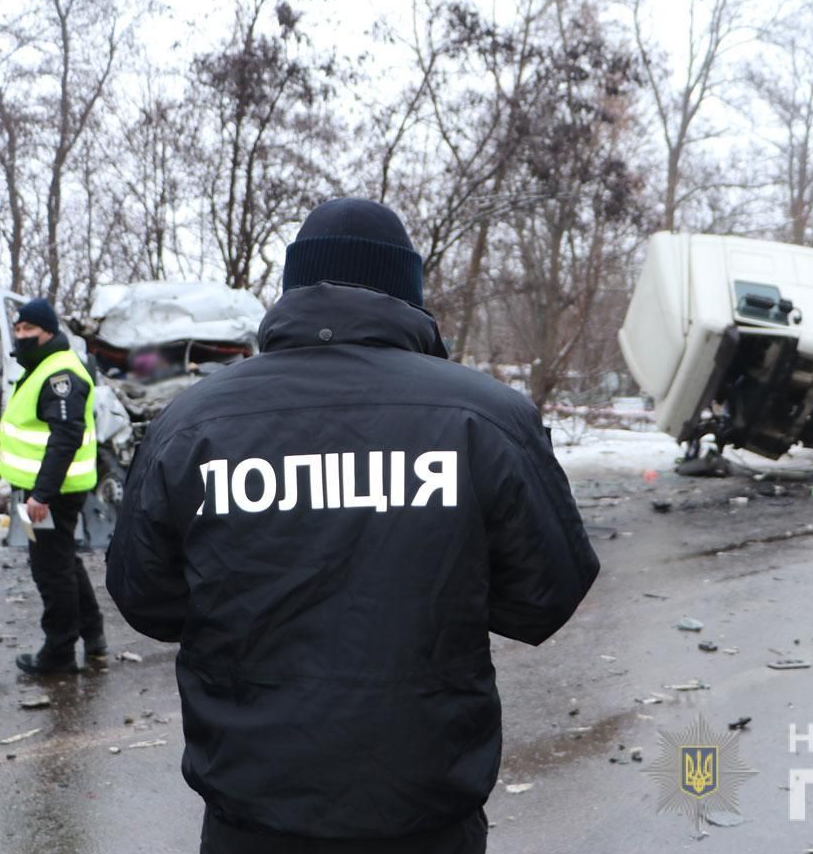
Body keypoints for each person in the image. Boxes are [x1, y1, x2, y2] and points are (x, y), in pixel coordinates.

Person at [106, 198, 600, 854]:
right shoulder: (485, 417)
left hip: (253, 807)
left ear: (292, 290)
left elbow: (147, 596)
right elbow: (544, 596)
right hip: (423, 807)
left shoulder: (193, 423)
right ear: (407, 292)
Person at [0, 297, 106, 675]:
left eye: (28, 330)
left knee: (50, 569)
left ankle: (59, 652)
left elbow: (65, 436)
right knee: (62, 560)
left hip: (53, 493)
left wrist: (42, 496)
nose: (20, 337)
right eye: (17, 330)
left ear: (48, 332)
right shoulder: (39, 368)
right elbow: (26, 428)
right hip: (36, 490)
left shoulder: (60, 374)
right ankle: (93, 635)